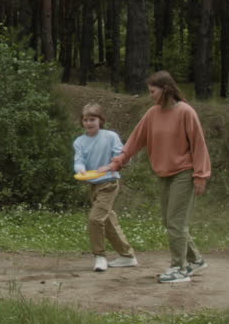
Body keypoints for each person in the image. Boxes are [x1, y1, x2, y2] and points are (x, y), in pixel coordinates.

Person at [102, 71, 210, 284]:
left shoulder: (185, 112)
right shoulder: (152, 113)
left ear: (166, 89)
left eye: (153, 91)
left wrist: (201, 176)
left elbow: (199, 144)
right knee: (169, 221)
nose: (150, 95)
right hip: (164, 174)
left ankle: (179, 269)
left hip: (184, 173)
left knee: (176, 223)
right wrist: (119, 160)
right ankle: (195, 260)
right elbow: (136, 139)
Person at [72, 103, 137, 272]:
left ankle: (99, 256)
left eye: (92, 119)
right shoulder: (79, 141)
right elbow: (79, 160)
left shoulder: (110, 136)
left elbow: (123, 158)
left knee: (95, 219)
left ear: (100, 120)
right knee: (108, 222)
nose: (88, 123)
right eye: (85, 120)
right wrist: (80, 169)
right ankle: (127, 256)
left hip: (109, 183)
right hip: (93, 185)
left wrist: (108, 167)